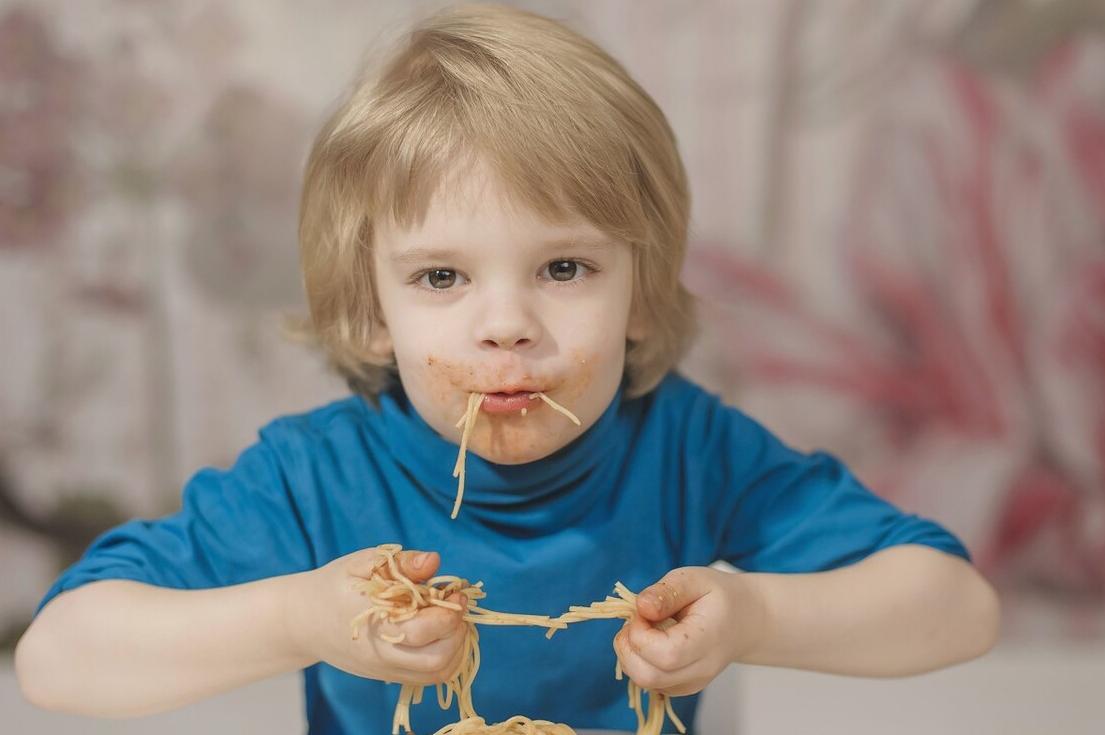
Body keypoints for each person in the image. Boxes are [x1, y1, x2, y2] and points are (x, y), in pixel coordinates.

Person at [14, 4, 1000, 733]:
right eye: (441, 276)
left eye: (563, 268)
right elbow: (58, 659)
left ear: (641, 293)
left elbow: (956, 607)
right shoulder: (317, 478)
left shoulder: (687, 448)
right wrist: (298, 620)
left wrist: (755, 615)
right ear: (373, 310)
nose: (506, 327)